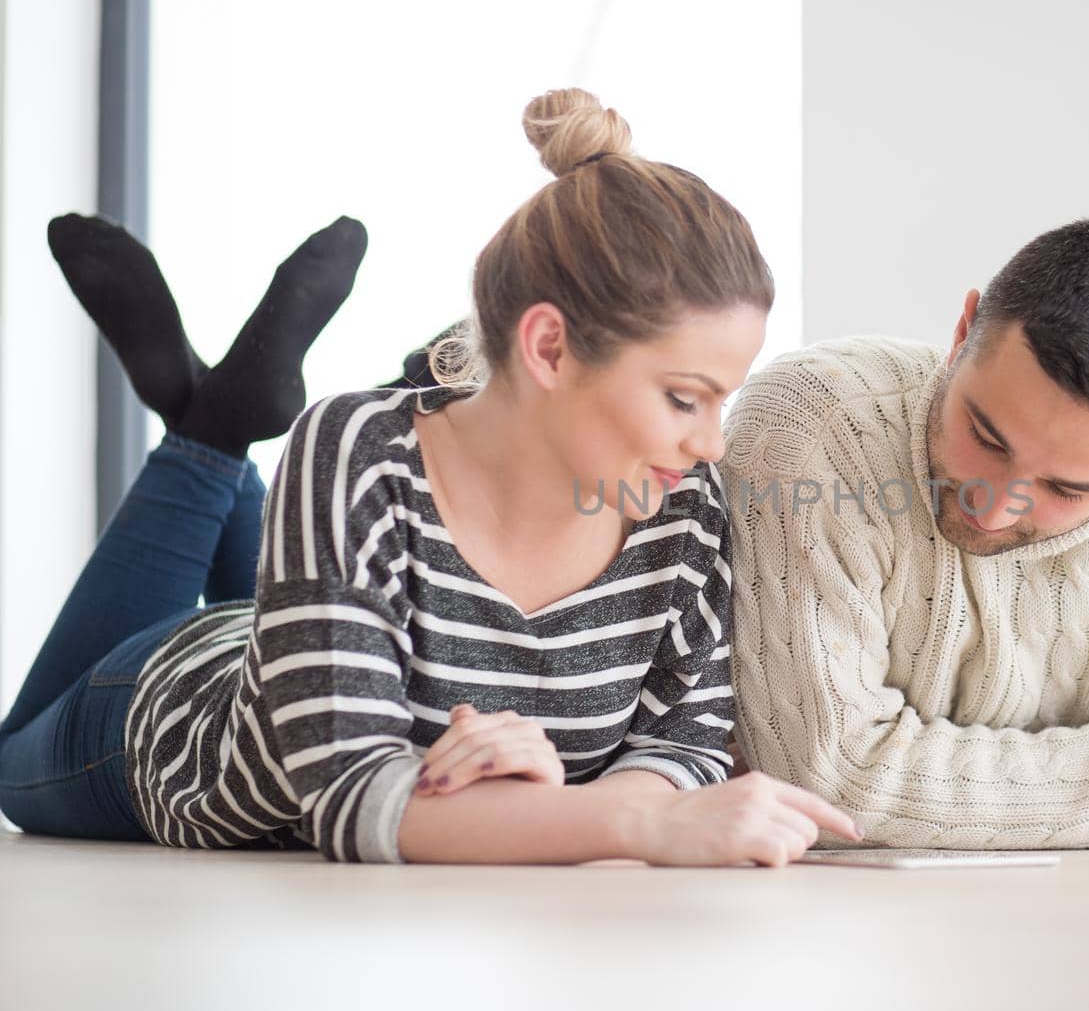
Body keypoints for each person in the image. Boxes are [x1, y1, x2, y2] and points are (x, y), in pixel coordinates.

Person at [0, 88, 859, 865]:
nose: (712, 444)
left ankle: (216, 412)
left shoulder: (685, 507)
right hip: (175, 718)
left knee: (305, 606)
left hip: (322, 630)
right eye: (683, 398)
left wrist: (543, 802)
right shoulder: (356, 447)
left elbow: (680, 745)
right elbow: (351, 797)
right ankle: (213, 438)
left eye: (722, 402)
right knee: (8, 765)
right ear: (549, 346)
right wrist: (631, 822)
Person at [719, 218, 1089, 851]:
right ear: (963, 331)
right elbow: (827, 779)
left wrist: (919, 777)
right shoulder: (817, 426)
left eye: (1068, 489)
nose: (995, 510)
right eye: (987, 438)